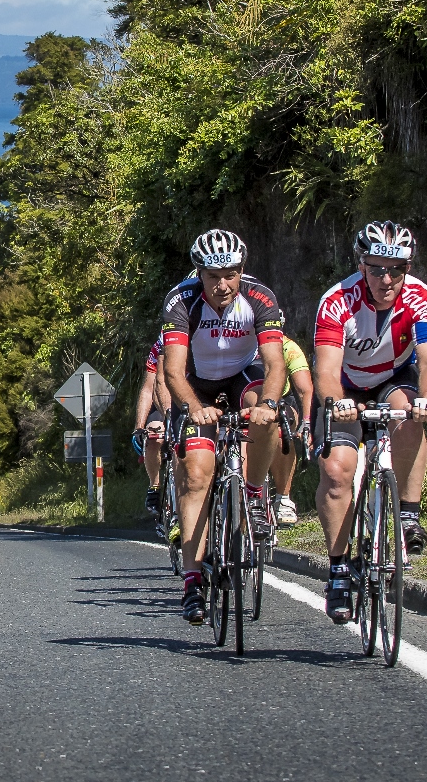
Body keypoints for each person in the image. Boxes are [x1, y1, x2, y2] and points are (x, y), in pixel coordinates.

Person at [311, 221, 427, 624]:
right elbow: (327, 372)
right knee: (336, 471)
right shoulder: (337, 300)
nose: (387, 279)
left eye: (396, 270)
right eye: (376, 269)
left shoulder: (421, 297)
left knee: (409, 410)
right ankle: (337, 569)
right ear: (362, 265)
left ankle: (408, 512)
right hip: (347, 388)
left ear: (407, 268)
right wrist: (337, 404)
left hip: (393, 379)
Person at [159, 230, 288, 624]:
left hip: (241, 377)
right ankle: (193, 580)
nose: (222, 284)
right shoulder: (181, 300)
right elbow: (173, 372)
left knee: (266, 415)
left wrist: (268, 404)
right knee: (196, 475)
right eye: (212, 275)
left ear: (241, 270)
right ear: (199, 273)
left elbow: (275, 364)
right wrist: (194, 409)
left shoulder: (260, 297)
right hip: (195, 384)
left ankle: (251, 492)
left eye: (230, 274)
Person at [266, 334, 315, 527]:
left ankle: (283, 498)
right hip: (242, 396)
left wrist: (307, 423)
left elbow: (305, 390)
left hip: (280, 399)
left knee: (284, 423)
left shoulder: (288, 347)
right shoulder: (238, 341)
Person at [131, 334, 172, 522]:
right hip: (163, 404)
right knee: (153, 433)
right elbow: (149, 389)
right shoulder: (160, 345)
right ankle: (155, 485)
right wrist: (139, 428)